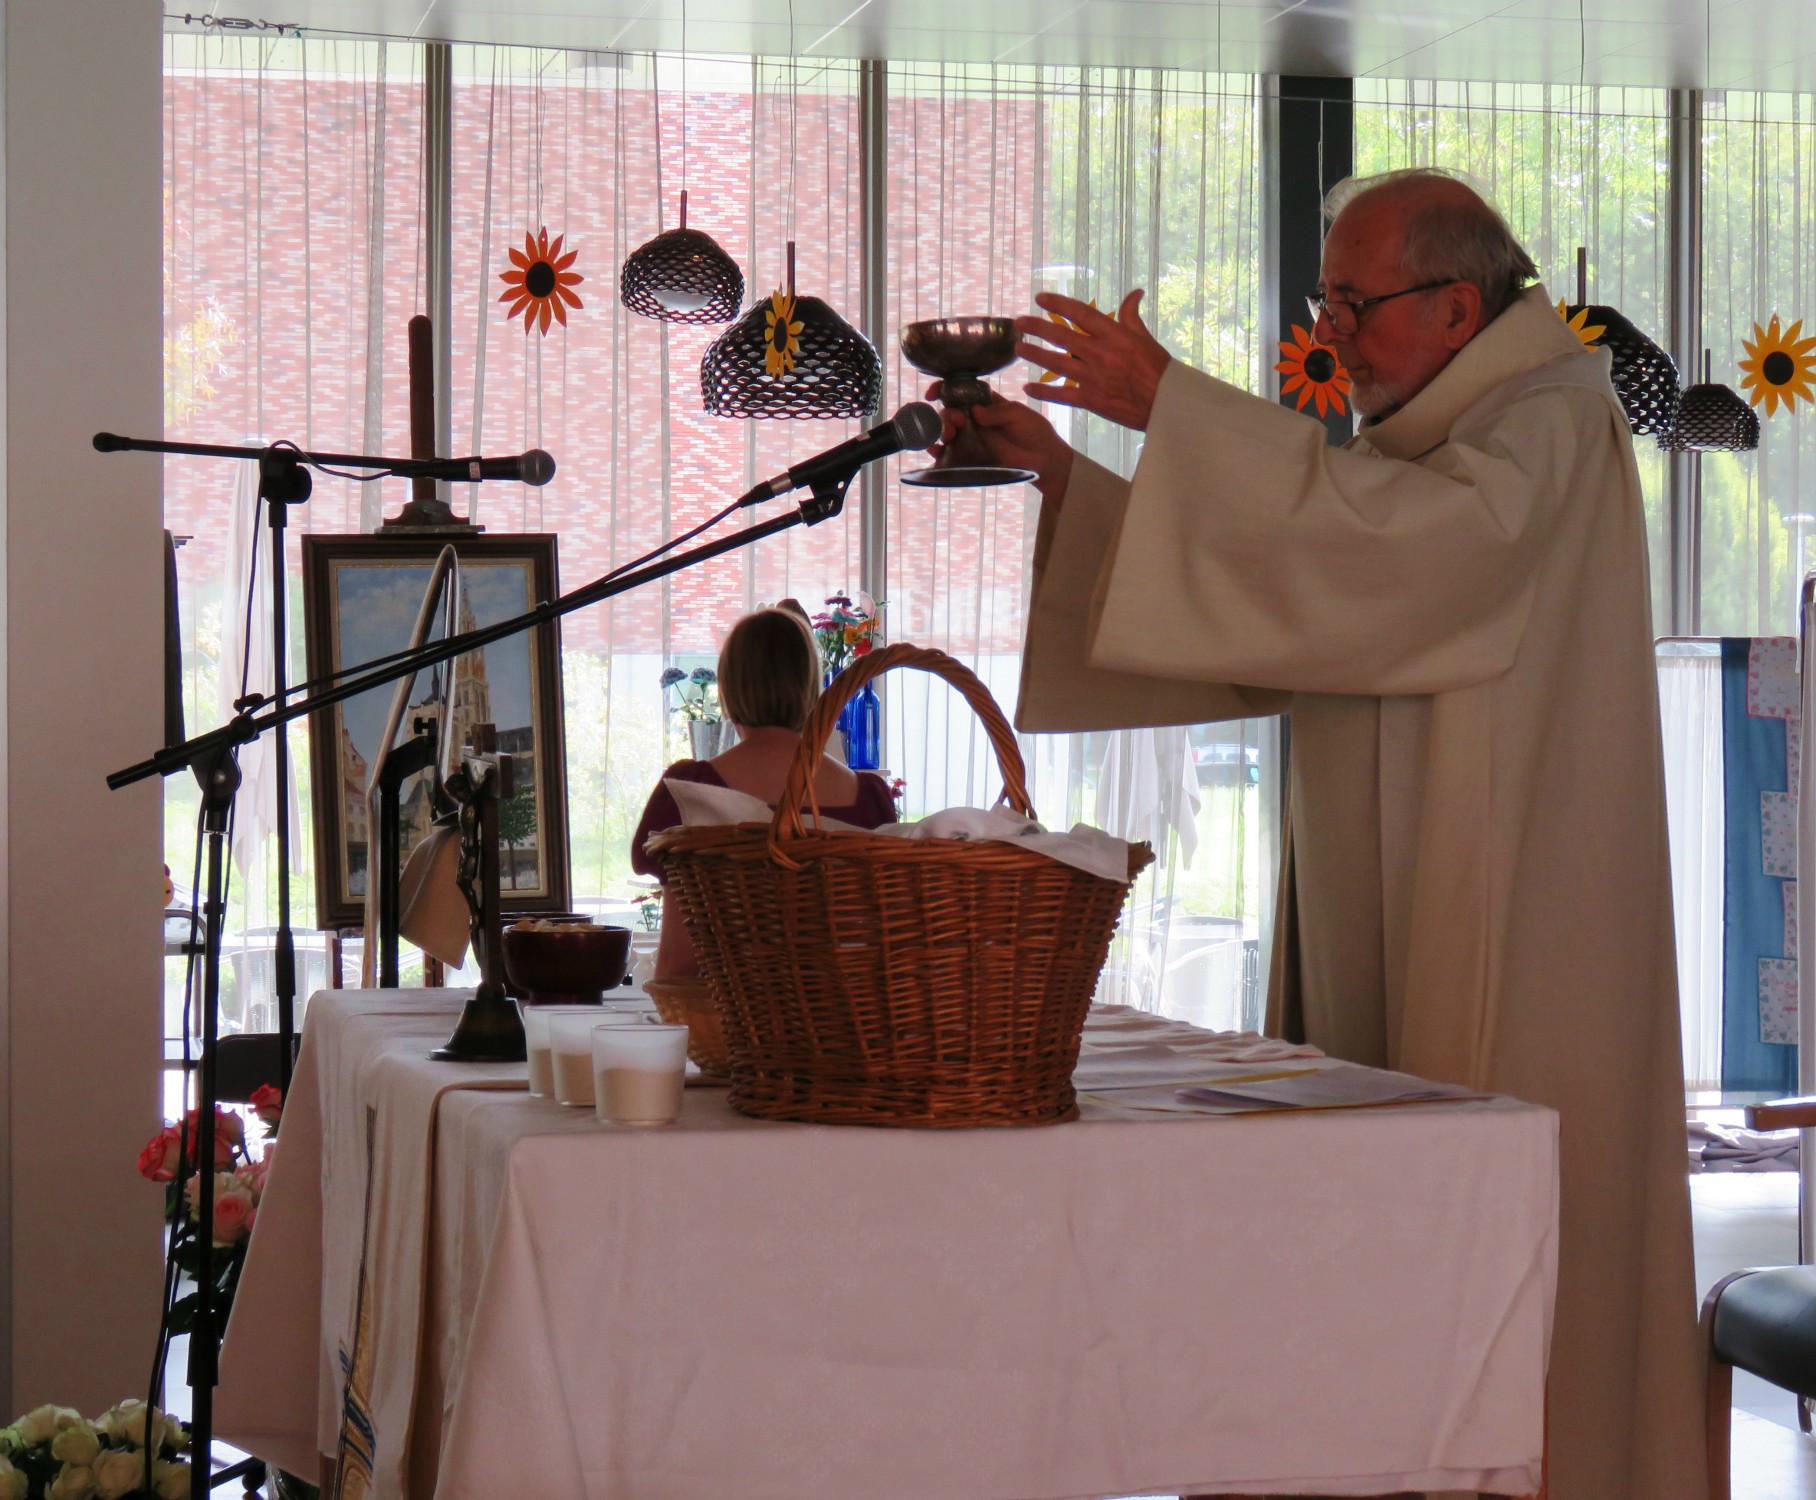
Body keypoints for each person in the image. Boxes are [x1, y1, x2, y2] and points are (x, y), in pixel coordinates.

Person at [946, 168, 1702, 1500]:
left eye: (1355, 303)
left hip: (1520, 924)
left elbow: (1403, 553)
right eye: (1326, 300)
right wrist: (1079, 477)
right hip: (1387, 903)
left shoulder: (1548, 420)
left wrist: (1175, 409)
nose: (1330, 333)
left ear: (1459, 306)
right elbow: (1306, 591)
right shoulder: (1426, 444)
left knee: (1502, 1267)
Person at [631, 606, 898, 981]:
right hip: (848, 1023)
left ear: (729, 691)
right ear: (811, 689)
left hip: (724, 1020)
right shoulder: (871, 797)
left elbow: (679, 963)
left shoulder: (691, 789)